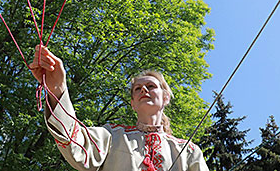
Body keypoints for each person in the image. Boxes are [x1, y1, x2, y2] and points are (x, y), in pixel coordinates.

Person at [30, 45, 209, 171]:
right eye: (138, 89)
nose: (144, 90)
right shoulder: (112, 136)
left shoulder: (189, 152)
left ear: (165, 98)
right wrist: (57, 88)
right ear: (132, 103)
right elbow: (75, 141)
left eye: (151, 86)